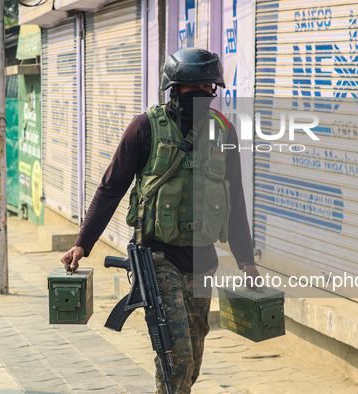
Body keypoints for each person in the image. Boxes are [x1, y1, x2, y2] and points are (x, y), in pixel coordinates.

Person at [61, 47, 260, 393]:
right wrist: (83, 243)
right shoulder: (145, 128)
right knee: (175, 356)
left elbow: (236, 199)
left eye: (207, 88)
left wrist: (246, 260)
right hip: (157, 257)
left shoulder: (223, 131)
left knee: (193, 360)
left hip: (202, 262)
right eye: (191, 88)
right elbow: (111, 188)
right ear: (174, 89)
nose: (201, 95)